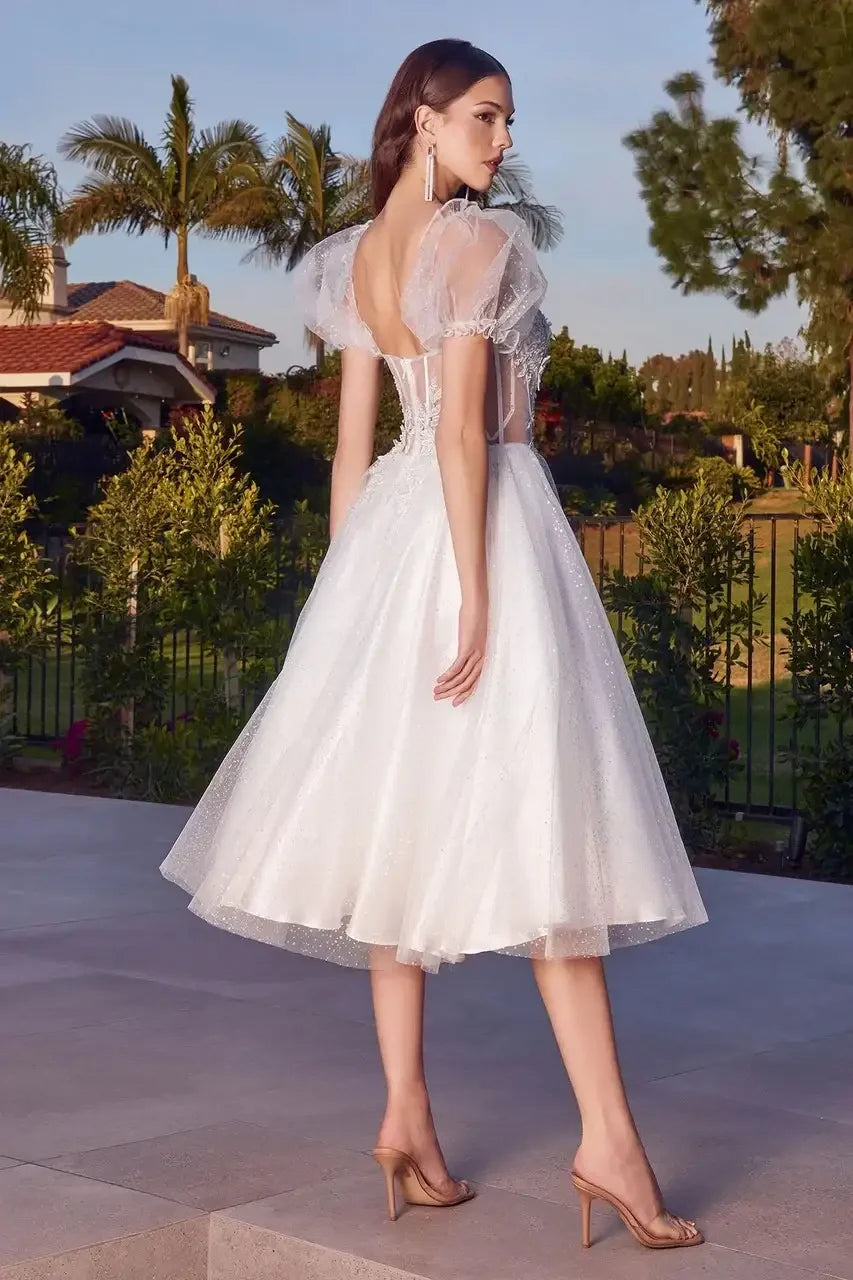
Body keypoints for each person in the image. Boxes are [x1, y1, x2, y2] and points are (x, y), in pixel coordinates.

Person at [159, 37, 709, 1252]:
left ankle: (405, 1114)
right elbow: (463, 434)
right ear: (423, 117)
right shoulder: (479, 244)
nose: (504, 141)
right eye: (486, 115)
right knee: (549, 837)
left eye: (507, 121)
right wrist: (475, 591)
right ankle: (606, 1138)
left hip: (387, 549)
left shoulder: (353, 261)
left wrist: (344, 609)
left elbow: (354, 451)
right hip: (479, 533)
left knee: (393, 841)